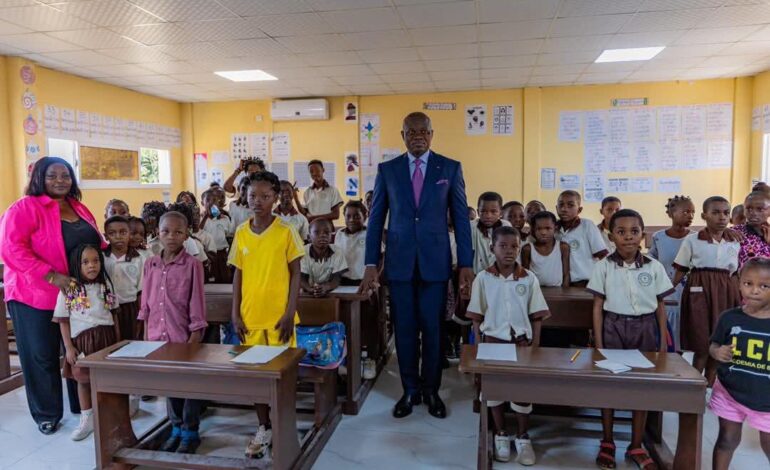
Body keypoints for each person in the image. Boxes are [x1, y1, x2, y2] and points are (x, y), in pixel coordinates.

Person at [360, 111, 474, 420]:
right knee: (405, 330)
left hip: (436, 265)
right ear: (403, 136)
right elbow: (375, 220)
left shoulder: (449, 168)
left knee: (434, 330)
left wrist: (466, 263)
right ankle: (410, 390)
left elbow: (461, 218)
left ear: (432, 134)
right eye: (411, 132)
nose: (418, 136)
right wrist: (371, 262)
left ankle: (432, 390)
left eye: (423, 131)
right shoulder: (388, 170)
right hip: (398, 265)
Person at [0, 157, 105, 434]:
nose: (60, 180)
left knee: (78, 349)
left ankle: (81, 406)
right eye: (52, 175)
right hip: (34, 294)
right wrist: (52, 276)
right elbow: (11, 249)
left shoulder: (78, 207)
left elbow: (95, 242)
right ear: (38, 178)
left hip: (74, 293)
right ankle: (47, 413)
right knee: (41, 355)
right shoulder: (24, 208)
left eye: (66, 175)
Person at [587, 209, 673, 470]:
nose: (628, 237)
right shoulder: (603, 266)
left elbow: (660, 306)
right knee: (609, 386)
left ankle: (636, 444)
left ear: (642, 235)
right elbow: (597, 307)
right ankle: (608, 441)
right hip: (613, 327)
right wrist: (599, 343)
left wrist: (660, 342)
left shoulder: (654, 267)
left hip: (645, 328)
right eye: (621, 232)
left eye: (634, 231)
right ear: (611, 236)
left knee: (642, 386)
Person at [229, 172, 305, 459]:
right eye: (252, 196)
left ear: (275, 198)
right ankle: (264, 427)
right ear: (245, 198)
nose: (258, 201)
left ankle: (284, 424)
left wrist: (289, 312)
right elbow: (238, 273)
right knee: (255, 379)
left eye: (265, 196)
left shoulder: (286, 231)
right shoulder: (241, 232)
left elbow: (296, 273)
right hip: (250, 318)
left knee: (282, 377)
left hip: (279, 319)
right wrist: (235, 313)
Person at [467, 226, 548, 465]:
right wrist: (480, 347)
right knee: (494, 391)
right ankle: (501, 433)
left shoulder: (529, 278)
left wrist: (536, 347)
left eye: (514, 246)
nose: (509, 251)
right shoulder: (483, 278)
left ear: (520, 247)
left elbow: (537, 315)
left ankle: (523, 436)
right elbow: (476, 317)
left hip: (522, 343)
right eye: (503, 246)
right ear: (492, 248)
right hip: (492, 342)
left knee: (522, 391)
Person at [139, 211, 207, 454]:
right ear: (158, 232)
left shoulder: (192, 265)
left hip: (183, 336)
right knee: (169, 384)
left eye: (178, 232)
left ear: (186, 234)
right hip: (158, 337)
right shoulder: (151, 264)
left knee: (188, 385)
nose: (171, 236)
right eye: (166, 231)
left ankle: (190, 432)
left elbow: (196, 302)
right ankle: (176, 428)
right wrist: (147, 336)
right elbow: (146, 303)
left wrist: (195, 335)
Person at [708, 257, 770, 470]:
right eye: (748, 283)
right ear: (738, 283)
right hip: (730, 393)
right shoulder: (729, 318)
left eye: (764, 286)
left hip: (766, 398)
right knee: (726, 440)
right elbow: (713, 345)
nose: (754, 291)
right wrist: (718, 352)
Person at [673, 196, 740, 388]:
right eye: (716, 212)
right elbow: (681, 269)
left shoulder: (734, 240)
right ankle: (694, 387)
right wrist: (666, 292)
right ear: (704, 215)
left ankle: (709, 388)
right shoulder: (693, 240)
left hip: (726, 291)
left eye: (726, 213)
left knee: (719, 342)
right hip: (699, 291)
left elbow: (738, 271)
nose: (722, 217)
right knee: (702, 344)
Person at [54, 244, 119, 441]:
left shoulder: (105, 285)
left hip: (106, 338)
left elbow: (113, 314)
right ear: (77, 265)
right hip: (82, 341)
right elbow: (63, 321)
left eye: (96, 261)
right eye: (85, 262)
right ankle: (87, 418)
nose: (92, 266)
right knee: (83, 380)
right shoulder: (70, 289)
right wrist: (69, 348)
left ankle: (109, 414)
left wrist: (119, 342)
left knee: (108, 379)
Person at [647, 195, 695, 352]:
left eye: (693, 212)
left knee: (686, 334)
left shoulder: (696, 237)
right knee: (668, 334)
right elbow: (651, 262)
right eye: (685, 212)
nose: (690, 216)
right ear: (671, 214)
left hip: (689, 292)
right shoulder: (659, 237)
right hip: (666, 292)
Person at [555, 190, 608, 286]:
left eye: (570, 205)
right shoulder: (553, 229)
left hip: (586, 282)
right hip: (560, 283)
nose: (564, 209)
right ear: (556, 208)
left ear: (579, 210)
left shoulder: (587, 226)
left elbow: (602, 255)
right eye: (561, 205)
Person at [520, 211, 570, 287]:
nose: (543, 232)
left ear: (555, 228)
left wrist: (565, 293)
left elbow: (566, 274)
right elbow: (525, 275)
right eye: (539, 229)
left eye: (548, 228)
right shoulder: (527, 249)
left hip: (558, 292)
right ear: (533, 229)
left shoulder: (562, 247)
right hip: (535, 291)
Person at [301, 219, 347, 297]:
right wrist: (311, 289)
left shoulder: (337, 252)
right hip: (307, 291)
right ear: (309, 237)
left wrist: (325, 287)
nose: (323, 235)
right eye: (316, 232)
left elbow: (336, 279)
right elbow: (301, 278)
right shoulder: (302, 252)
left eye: (326, 232)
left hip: (329, 291)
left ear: (331, 236)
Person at [471, 192, 511, 274]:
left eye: (493, 212)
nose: (488, 216)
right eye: (483, 211)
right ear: (478, 212)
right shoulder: (472, 227)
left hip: (500, 274)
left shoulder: (506, 226)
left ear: (501, 212)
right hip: (477, 275)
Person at [200, 188, 233, 283]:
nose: (211, 203)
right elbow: (198, 232)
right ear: (202, 203)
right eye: (208, 200)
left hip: (222, 254)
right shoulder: (201, 219)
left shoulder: (225, 219)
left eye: (214, 200)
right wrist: (205, 217)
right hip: (208, 255)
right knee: (210, 280)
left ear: (218, 203)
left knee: (225, 278)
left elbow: (229, 236)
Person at [334, 200, 367, 284]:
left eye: (357, 216)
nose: (352, 220)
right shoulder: (339, 234)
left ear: (365, 217)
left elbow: (381, 257)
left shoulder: (369, 234)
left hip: (363, 280)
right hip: (343, 279)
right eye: (348, 216)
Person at [735, 190, 770, 268]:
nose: (753, 213)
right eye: (749, 208)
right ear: (744, 210)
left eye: (760, 209)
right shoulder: (735, 233)